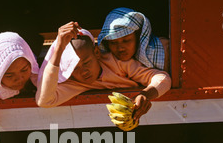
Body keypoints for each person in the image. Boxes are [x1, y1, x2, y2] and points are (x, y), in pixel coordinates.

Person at [35, 22, 171, 121]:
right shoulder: (74, 83)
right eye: (74, 68)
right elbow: (44, 101)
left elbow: (162, 78)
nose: (83, 71)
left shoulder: (118, 63)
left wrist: (146, 94)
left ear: (97, 52)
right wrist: (58, 48)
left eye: (87, 62)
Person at [97, 6, 170, 72]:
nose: (120, 48)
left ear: (138, 36)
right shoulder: (105, 64)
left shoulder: (166, 50)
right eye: (113, 42)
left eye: (126, 40)